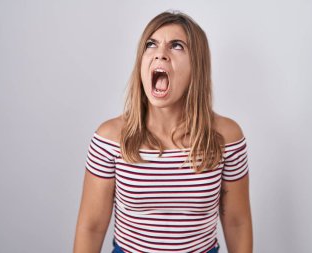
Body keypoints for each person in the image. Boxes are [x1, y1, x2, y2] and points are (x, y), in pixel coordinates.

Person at [73, 11, 253, 253]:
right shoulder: (109, 138)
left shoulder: (226, 138)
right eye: (151, 44)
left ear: (196, 67)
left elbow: (237, 223)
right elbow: (91, 227)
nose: (160, 53)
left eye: (176, 46)